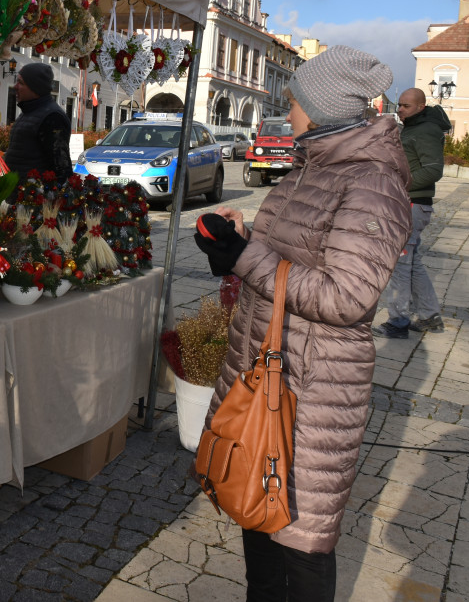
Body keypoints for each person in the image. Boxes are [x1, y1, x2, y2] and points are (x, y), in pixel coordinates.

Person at [193, 45, 413, 601]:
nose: (287, 111)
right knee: (257, 516)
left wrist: (249, 258)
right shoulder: (311, 166)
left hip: (311, 386)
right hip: (264, 369)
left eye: (294, 102)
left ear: (321, 109)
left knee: (301, 541)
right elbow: (287, 258)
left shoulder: (370, 182)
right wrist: (239, 241)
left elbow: (347, 297)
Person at [372, 87, 450, 339]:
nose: (400, 110)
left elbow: (433, 170)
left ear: (421, 106)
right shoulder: (414, 127)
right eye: (399, 105)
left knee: (400, 264)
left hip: (412, 205)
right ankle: (429, 316)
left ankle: (399, 321)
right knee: (412, 262)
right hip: (411, 204)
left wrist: (399, 185)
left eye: (405, 106)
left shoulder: (426, 130)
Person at [2, 63, 73, 182]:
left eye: (21, 83)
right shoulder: (29, 111)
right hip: (18, 194)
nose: (15, 86)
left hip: (33, 196)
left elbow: (61, 167)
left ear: (35, 89)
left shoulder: (52, 116)